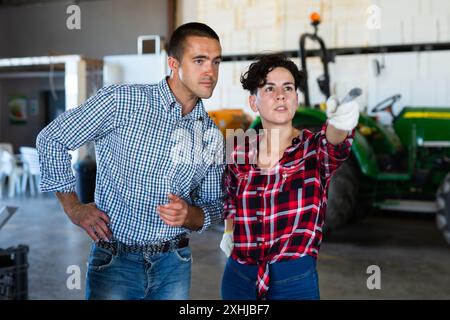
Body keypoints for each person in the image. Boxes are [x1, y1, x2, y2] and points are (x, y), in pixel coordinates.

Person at [36, 22, 225, 300]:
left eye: (216, 62)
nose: (210, 71)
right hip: (116, 263)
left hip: (175, 264)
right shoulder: (122, 102)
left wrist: (190, 215)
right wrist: (73, 208)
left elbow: (216, 203)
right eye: (199, 60)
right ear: (173, 63)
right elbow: (52, 139)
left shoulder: (211, 135)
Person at [220, 53, 359, 300]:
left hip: (294, 279)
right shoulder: (240, 148)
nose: (281, 95)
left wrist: (341, 121)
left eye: (288, 88)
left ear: (296, 98)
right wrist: (229, 231)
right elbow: (230, 197)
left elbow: (335, 142)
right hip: (239, 276)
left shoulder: (314, 149)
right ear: (254, 102)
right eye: (269, 88)